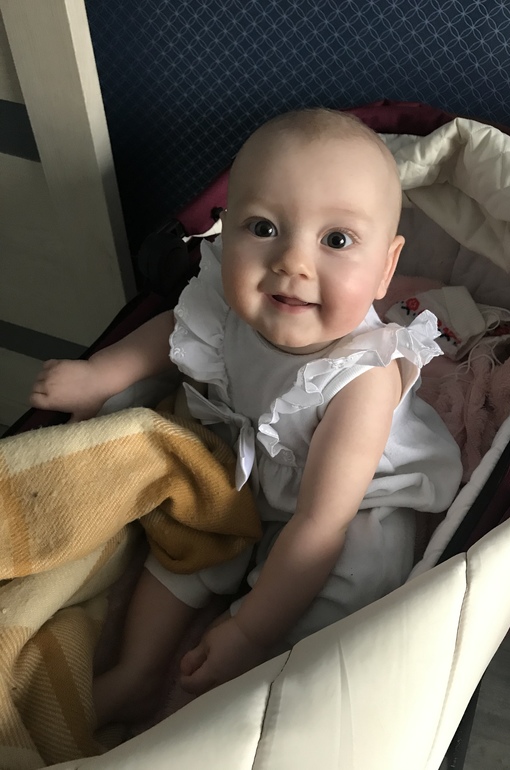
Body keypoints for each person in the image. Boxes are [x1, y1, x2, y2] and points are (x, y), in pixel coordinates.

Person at [30, 108, 462, 727]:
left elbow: (318, 525)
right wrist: (99, 375)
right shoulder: (226, 303)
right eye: (263, 227)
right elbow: (170, 334)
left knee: (360, 581)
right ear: (225, 230)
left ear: (386, 270)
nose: (293, 262)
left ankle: (274, 706)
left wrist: (250, 631)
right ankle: (137, 671)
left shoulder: (362, 380)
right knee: (183, 539)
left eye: (336, 241)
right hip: (245, 463)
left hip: (347, 507)